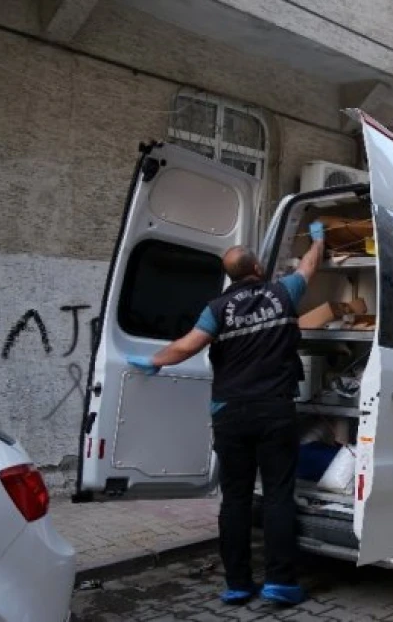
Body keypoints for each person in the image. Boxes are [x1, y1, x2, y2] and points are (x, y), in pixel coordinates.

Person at [125, 221, 326, 605]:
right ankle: (280, 583)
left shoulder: (216, 309)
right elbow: (309, 267)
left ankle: (237, 583)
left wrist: (153, 361)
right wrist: (318, 239)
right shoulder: (283, 292)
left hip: (231, 413)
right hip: (274, 410)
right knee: (278, 496)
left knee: (234, 498)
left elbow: (186, 346)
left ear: (229, 277)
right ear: (259, 270)